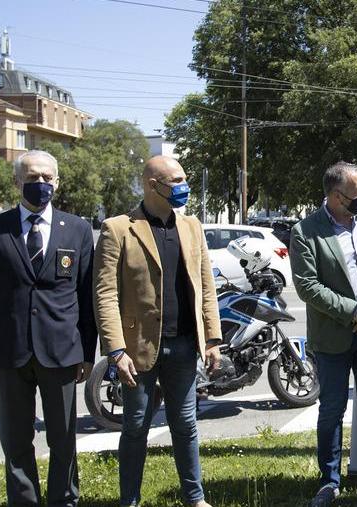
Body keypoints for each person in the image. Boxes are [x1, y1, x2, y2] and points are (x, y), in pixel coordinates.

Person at [93, 156, 221, 507]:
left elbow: (205, 286)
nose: (184, 187)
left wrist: (211, 339)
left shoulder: (192, 226)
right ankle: (129, 501)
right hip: (136, 349)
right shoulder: (118, 228)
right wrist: (115, 350)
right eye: (176, 180)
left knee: (186, 424)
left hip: (183, 346)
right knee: (135, 427)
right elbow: (105, 294)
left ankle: (195, 498)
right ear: (153, 185)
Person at [0, 150, 96, 506]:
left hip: (61, 353)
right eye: (31, 178)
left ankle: (63, 500)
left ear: (57, 181)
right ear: (16, 182)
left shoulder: (78, 229)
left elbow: (86, 297)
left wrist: (87, 353)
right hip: (11, 354)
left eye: (46, 177)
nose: (39, 184)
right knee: (15, 441)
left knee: (63, 438)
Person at [289, 162, 357, 506]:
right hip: (333, 336)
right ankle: (329, 481)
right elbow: (308, 287)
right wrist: (354, 311)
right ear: (336, 197)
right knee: (332, 409)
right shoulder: (306, 231)